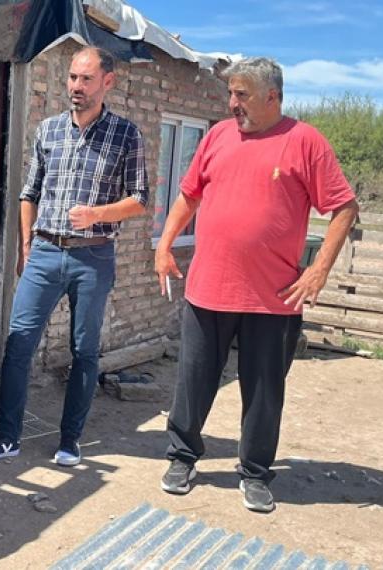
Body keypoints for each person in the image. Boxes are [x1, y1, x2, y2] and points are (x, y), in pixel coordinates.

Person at [154, 57, 359, 513]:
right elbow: (188, 194)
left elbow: (343, 207)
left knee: (264, 390)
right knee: (193, 380)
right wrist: (164, 245)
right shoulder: (217, 137)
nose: (232, 104)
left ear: (273, 96)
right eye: (231, 93)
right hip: (209, 287)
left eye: (241, 94)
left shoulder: (305, 141)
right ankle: (182, 457)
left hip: (274, 297)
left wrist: (319, 269)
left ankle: (255, 473)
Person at [0, 46, 149, 467]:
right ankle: (7, 436)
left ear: (108, 81)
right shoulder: (48, 130)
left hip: (94, 257)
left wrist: (97, 216)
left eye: (85, 79)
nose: (76, 87)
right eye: (72, 78)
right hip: (46, 251)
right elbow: (28, 192)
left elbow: (139, 198)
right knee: (18, 345)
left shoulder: (126, 134)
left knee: (84, 350)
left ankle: (70, 440)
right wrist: (26, 243)